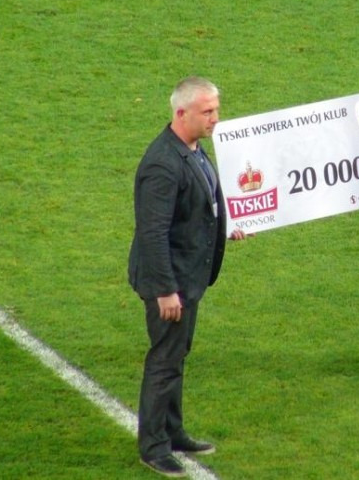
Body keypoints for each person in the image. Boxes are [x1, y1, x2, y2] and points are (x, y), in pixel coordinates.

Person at [128, 76, 244, 476]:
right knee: (165, 360)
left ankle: (172, 431)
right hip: (170, 282)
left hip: (188, 278)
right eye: (207, 111)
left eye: (216, 109)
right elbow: (153, 232)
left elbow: (202, 204)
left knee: (177, 355)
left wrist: (229, 226)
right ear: (181, 113)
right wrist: (165, 290)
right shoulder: (162, 165)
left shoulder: (193, 148)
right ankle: (153, 447)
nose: (216, 118)